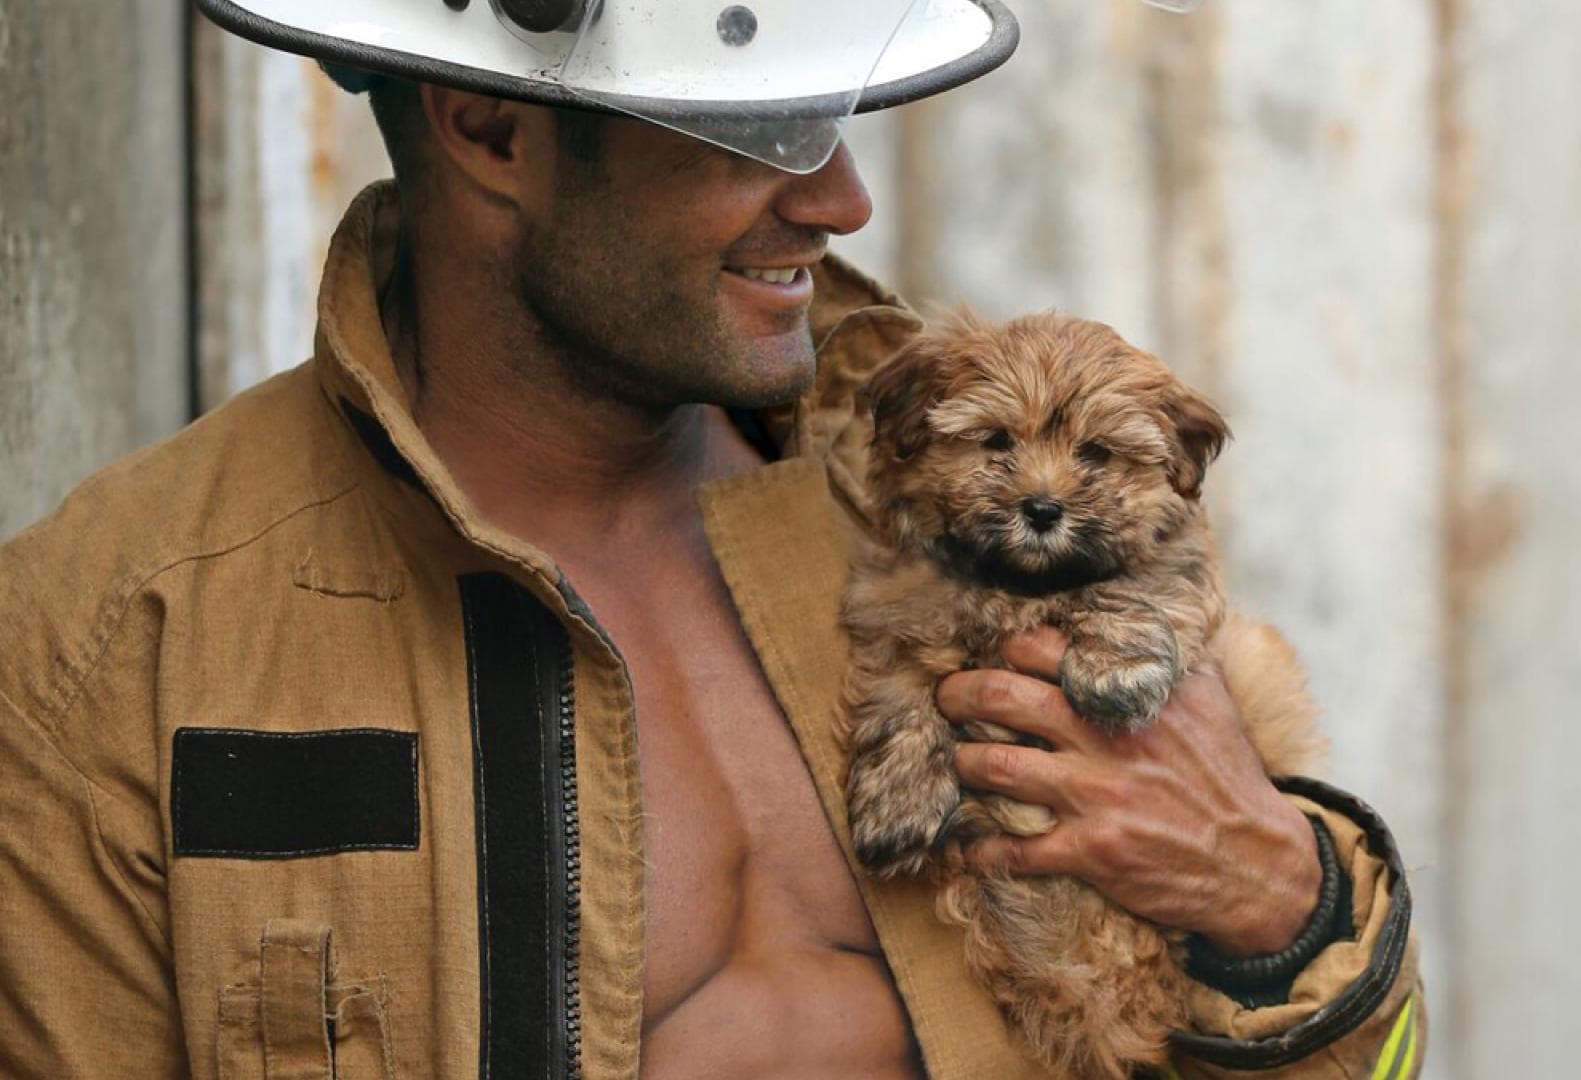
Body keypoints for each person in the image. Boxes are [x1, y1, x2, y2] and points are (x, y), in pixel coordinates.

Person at [0, 1, 1422, 1076]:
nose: (842, 200)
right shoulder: (117, 644)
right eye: (759, 131)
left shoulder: (963, 512)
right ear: (489, 129)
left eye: (831, 115)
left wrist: (1277, 904)